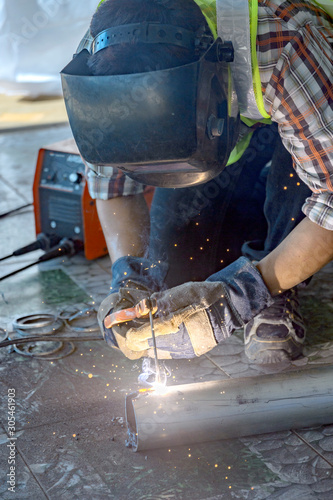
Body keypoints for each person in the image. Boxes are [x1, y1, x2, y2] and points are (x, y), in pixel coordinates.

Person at [61, 0, 333, 363]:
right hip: (238, 122)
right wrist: (130, 278)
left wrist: (244, 294)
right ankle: (261, 238)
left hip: (315, 93)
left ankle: (275, 268)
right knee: (176, 275)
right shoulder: (103, 59)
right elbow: (111, 184)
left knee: (295, 186)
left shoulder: (285, 40)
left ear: (213, 80)